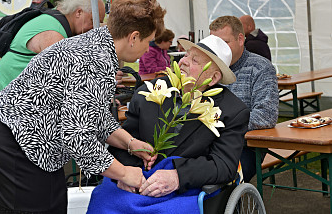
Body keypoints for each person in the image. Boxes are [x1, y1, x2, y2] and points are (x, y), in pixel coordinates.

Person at [0, 0, 166, 213]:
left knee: (53, 201)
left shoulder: (98, 42)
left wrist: (129, 142)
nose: (147, 51)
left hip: (11, 131)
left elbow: (90, 114)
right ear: (133, 37)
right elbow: (78, 136)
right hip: (13, 139)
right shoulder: (96, 61)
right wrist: (124, 173)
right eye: (148, 42)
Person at [108, 35, 250, 198]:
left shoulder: (231, 111)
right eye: (186, 55)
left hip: (184, 191)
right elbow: (124, 142)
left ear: (214, 78)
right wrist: (123, 173)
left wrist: (177, 176)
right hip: (135, 184)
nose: (183, 61)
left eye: (195, 60)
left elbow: (223, 165)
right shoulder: (153, 90)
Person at [0, 0, 106, 98]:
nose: (95, 28)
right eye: (93, 21)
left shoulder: (56, 20)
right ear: (79, 12)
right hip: (8, 103)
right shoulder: (53, 32)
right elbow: (69, 78)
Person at [209, 15, 279, 182]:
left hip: (246, 146)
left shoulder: (261, 68)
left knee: (219, 181)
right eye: (214, 44)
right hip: (207, 143)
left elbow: (266, 116)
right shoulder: (207, 67)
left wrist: (218, 125)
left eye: (224, 43)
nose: (219, 50)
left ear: (240, 39)